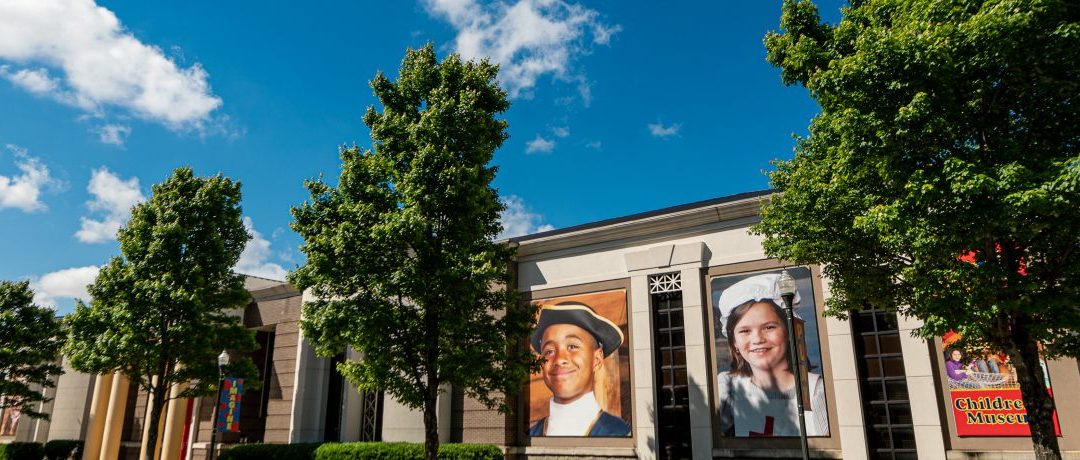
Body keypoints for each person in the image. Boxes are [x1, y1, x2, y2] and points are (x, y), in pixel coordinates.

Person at [715, 273, 828, 437]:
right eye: (745, 331)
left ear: (790, 331)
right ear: (734, 343)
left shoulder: (817, 391)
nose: (757, 339)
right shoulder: (728, 388)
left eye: (769, 327)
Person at [528, 301, 631, 437]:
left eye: (572, 347)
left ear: (597, 359)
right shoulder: (531, 435)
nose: (559, 359)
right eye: (549, 351)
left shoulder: (620, 434)